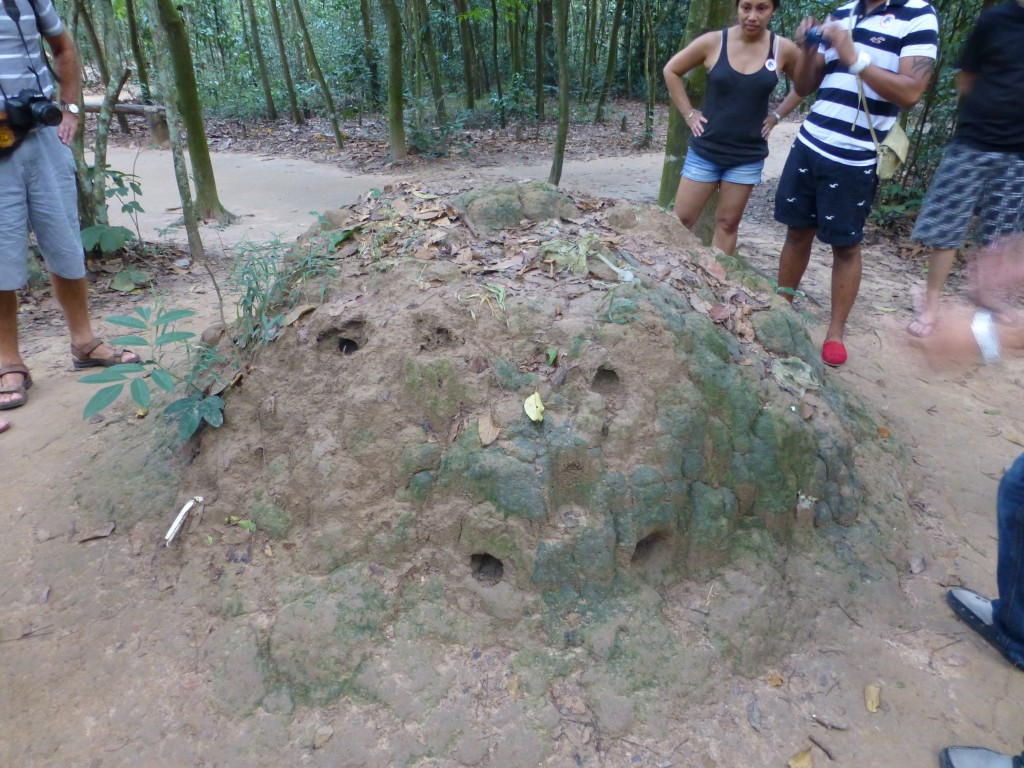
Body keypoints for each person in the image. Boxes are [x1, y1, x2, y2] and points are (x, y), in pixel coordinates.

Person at [773, 0, 939, 367]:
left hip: (857, 157)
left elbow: (912, 93)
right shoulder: (843, 12)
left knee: (846, 246)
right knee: (797, 232)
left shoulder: (918, 14)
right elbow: (805, 84)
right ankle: (780, 308)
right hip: (811, 143)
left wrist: (852, 55)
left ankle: (835, 331)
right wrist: (809, 46)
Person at [0, 0, 139, 414]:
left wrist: (70, 107)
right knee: (1, 257)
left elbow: (62, 46)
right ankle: (8, 363)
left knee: (64, 242)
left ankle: (84, 342)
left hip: (42, 138)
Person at [906, 0, 1024, 339]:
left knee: (1001, 236)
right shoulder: (996, 20)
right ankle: (931, 304)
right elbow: (966, 81)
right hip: (974, 140)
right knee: (947, 228)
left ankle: (985, 299)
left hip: (1018, 151)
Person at [663, 0, 801, 255]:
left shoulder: (784, 49)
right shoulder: (714, 41)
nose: (752, 16)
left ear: (774, 10)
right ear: (737, 8)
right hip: (706, 150)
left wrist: (777, 116)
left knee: (727, 224)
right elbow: (671, 70)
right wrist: (689, 113)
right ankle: (668, 278)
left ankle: (717, 282)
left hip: (746, 156)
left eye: (762, 8)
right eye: (746, 7)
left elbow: (804, 85)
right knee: (680, 221)